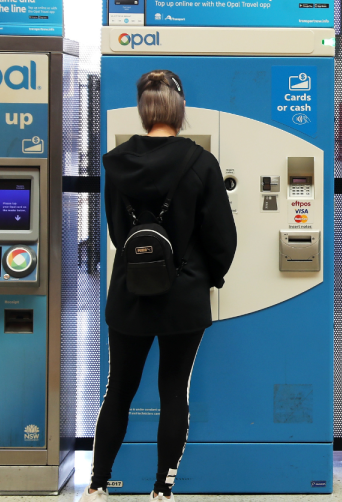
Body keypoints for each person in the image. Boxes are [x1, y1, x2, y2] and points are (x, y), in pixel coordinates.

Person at [85, 70, 238, 501]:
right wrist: (209, 277)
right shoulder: (201, 162)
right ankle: (161, 491)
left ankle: (97, 486)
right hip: (184, 297)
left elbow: (117, 233)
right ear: (179, 109)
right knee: (174, 391)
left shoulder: (115, 163)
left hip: (130, 292)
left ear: (143, 109)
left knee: (120, 389)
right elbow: (222, 237)